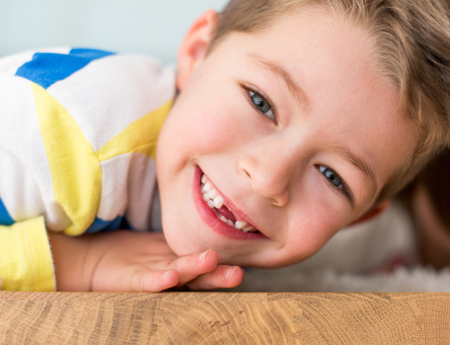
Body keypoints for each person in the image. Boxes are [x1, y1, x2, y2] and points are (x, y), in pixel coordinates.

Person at [1, 0, 450, 292]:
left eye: (332, 177)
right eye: (262, 103)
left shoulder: (343, 239)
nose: (270, 178)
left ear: (358, 218)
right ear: (196, 55)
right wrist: (80, 265)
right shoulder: (66, 134)